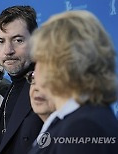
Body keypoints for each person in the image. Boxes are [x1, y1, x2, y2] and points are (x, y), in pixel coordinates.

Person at [29, 10, 118, 154]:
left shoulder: (84, 128)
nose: (35, 70)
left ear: (59, 66)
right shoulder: (76, 119)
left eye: (39, 60)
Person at [0, 5, 43, 154]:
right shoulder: (11, 88)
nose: (8, 51)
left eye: (18, 40)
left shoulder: (51, 86)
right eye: (1, 41)